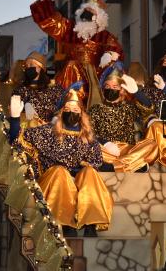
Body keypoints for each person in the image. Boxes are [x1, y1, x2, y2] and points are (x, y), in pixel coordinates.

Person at [9, 82, 113, 237]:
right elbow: (17, 140)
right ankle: (65, 223)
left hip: (78, 180)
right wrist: (15, 118)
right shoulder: (47, 132)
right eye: (68, 109)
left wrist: (77, 172)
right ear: (61, 111)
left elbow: (95, 160)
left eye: (75, 109)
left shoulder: (88, 138)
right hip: (54, 180)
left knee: (91, 173)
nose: (71, 112)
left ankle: (91, 222)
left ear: (82, 113)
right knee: (60, 172)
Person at [30, 0, 123, 106]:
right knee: (71, 66)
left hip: (96, 75)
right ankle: (68, 103)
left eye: (91, 13)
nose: (86, 16)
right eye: (85, 12)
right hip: (71, 75)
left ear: (99, 18)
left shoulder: (104, 36)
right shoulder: (71, 31)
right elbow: (53, 23)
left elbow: (115, 47)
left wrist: (109, 54)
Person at [89, 62, 157, 172]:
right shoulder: (95, 109)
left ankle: (114, 167)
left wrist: (137, 93)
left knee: (152, 145)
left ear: (121, 89)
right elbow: (88, 133)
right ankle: (132, 165)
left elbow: (149, 108)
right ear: (103, 89)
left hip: (127, 150)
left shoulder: (129, 107)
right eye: (108, 86)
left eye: (115, 87)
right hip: (105, 150)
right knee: (88, 147)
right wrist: (105, 143)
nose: (111, 89)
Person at [12, 50, 64, 127]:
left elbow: (61, 110)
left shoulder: (54, 89)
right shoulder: (20, 90)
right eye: (27, 66)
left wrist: (52, 122)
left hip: (50, 130)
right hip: (28, 129)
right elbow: (16, 113)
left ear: (41, 67)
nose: (29, 67)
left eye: (31, 64)